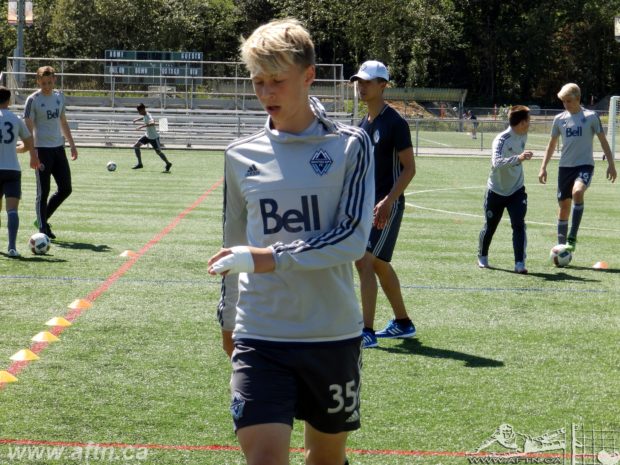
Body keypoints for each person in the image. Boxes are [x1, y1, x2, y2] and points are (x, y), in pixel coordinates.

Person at [208, 18, 374, 465]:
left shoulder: (350, 146)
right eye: (257, 82)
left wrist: (270, 257)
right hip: (260, 332)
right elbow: (233, 243)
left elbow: (351, 239)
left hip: (331, 334)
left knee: (326, 457)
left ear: (308, 76)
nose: (266, 93)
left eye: (277, 81)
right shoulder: (239, 154)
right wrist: (228, 319)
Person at [350, 60, 416, 349]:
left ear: (383, 85)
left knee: (364, 260)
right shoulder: (363, 124)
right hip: (367, 206)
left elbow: (410, 168)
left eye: (367, 81)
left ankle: (367, 331)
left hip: (387, 206)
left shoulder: (395, 122)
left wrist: (389, 201)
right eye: (359, 81)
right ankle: (403, 322)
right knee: (377, 263)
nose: (361, 86)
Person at [538, 83, 617, 251]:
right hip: (565, 168)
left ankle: (572, 237)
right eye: (563, 101)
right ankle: (561, 246)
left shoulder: (591, 117)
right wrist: (543, 167)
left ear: (578, 99)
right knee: (564, 207)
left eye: (569, 101)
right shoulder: (559, 119)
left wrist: (611, 164)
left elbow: (603, 141)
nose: (566, 104)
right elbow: (551, 145)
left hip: (585, 165)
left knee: (578, 192)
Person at [23, 65, 77, 240]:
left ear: (54, 79)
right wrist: (33, 153)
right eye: (43, 83)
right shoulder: (33, 100)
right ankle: (42, 229)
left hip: (58, 149)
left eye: (49, 82)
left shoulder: (59, 96)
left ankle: (42, 219)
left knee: (66, 188)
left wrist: (72, 144)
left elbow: (63, 121)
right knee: (43, 192)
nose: (47, 86)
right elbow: (28, 128)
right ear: (38, 81)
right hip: (42, 151)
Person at [477, 105, 533, 274]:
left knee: (519, 224)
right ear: (522, 123)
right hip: (496, 191)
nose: (530, 123)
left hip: (517, 190)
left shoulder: (523, 135)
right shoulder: (501, 139)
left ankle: (519, 263)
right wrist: (519, 158)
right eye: (529, 120)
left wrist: (519, 159)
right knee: (490, 226)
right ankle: (482, 256)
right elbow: (496, 163)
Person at [0, 86, 40, 257]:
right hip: (12, 170)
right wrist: (25, 153)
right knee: (12, 210)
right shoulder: (15, 119)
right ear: (9, 101)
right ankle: (12, 247)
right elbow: (29, 142)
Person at [131, 103, 172, 172]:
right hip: (147, 136)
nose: (138, 112)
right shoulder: (145, 115)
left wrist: (142, 126)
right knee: (136, 146)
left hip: (154, 138)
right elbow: (144, 118)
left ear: (143, 109)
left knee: (158, 152)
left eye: (139, 111)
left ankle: (168, 163)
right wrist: (137, 119)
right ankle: (140, 164)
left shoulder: (149, 115)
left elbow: (152, 123)